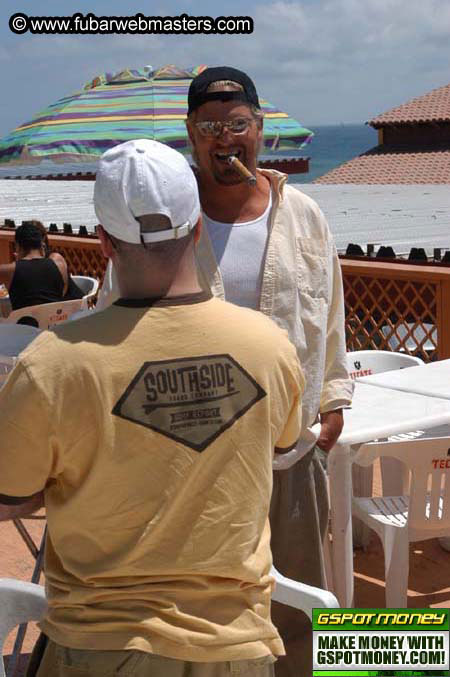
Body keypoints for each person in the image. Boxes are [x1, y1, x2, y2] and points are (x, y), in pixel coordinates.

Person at [0, 139, 305, 677]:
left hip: (98, 649)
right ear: (194, 229)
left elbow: (11, 497)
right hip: (237, 650)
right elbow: (279, 442)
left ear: (103, 241)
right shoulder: (269, 346)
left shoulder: (51, 365)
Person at [184, 66, 354, 676]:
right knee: (210, 606)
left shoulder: (303, 213)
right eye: (211, 126)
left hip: (295, 447)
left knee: (301, 603)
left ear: (259, 129)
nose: (225, 138)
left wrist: (333, 402)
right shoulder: (170, 222)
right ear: (191, 133)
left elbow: (330, 310)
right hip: (197, 456)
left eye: (238, 123)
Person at [0, 221, 82, 310]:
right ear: (41, 244)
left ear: (18, 246)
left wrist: (18, 263)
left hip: (23, 322)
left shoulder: (9, 270)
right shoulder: (58, 264)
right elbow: (61, 293)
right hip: (58, 319)